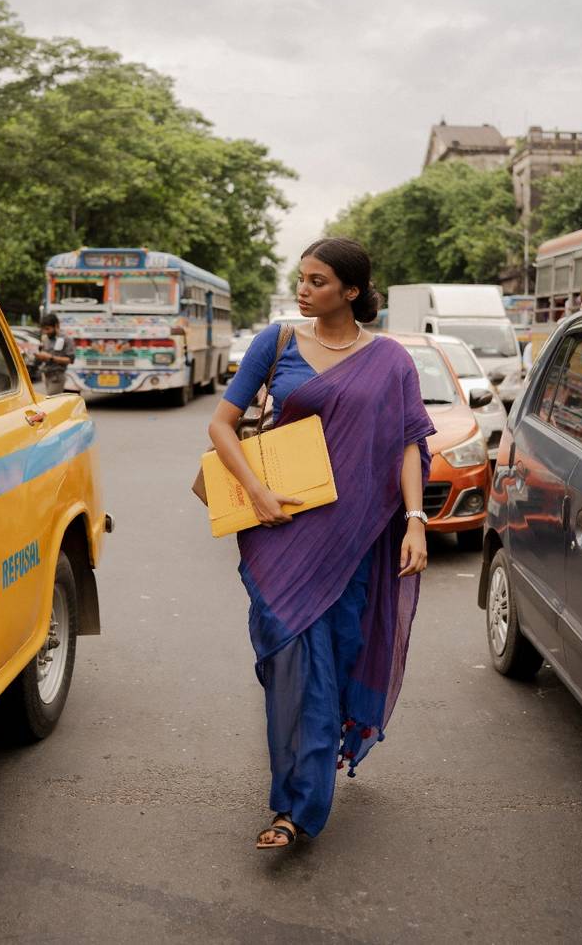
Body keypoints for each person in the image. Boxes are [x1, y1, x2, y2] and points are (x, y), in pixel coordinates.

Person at [207, 237, 435, 850]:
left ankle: (312, 764)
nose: (303, 290)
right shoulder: (274, 343)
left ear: (351, 292)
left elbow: (408, 442)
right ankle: (293, 807)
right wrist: (254, 491)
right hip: (280, 528)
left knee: (336, 656)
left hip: (354, 539)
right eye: (301, 279)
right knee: (290, 662)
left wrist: (415, 519)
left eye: (317, 281)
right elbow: (221, 424)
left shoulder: (389, 359)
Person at [35, 313, 75, 395]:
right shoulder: (46, 338)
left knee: (50, 402)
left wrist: (51, 358)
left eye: (48, 329)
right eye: (44, 329)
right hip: (46, 376)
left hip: (57, 377)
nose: (45, 332)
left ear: (56, 326)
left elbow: (70, 360)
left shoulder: (66, 340)